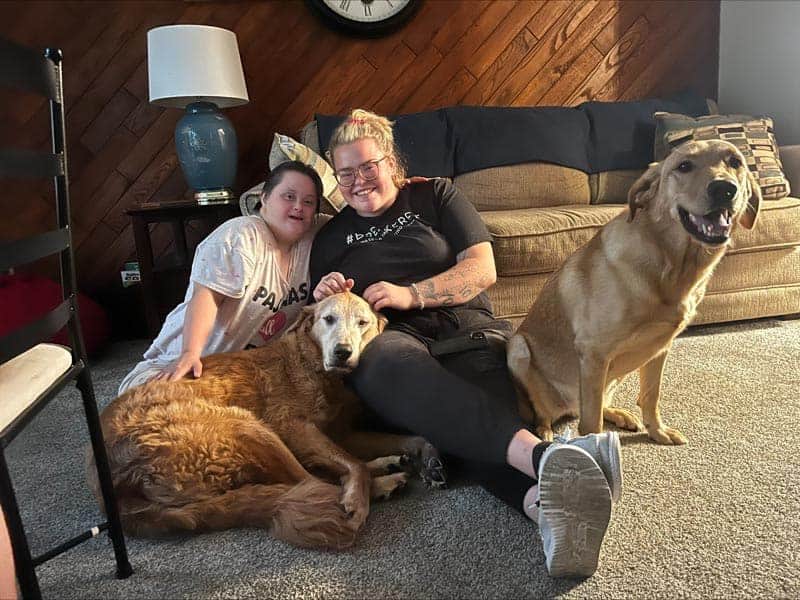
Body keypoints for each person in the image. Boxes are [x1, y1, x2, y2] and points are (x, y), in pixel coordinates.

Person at [310, 109, 623, 578]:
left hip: (466, 329)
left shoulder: (434, 194)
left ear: (391, 163)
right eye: (345, 172)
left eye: (368, 167)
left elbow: (482, 269)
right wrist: (326, 292)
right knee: (385, 368)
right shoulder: (331, 236)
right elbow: (325, 318)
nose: (357, 181)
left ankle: (545, 511)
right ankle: (549, 459)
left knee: (478, 422)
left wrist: (411, 293)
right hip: (391, 341)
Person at [119, 161, 326, 395]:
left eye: (309, 202)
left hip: (239, 376)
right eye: (289, 196)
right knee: (166, 415)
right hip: (182, 366)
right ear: (265, 198)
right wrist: (190, 353)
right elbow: (207, 296)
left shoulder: (313, 237)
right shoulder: (242, 235)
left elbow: (355, 220)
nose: (299, 206)